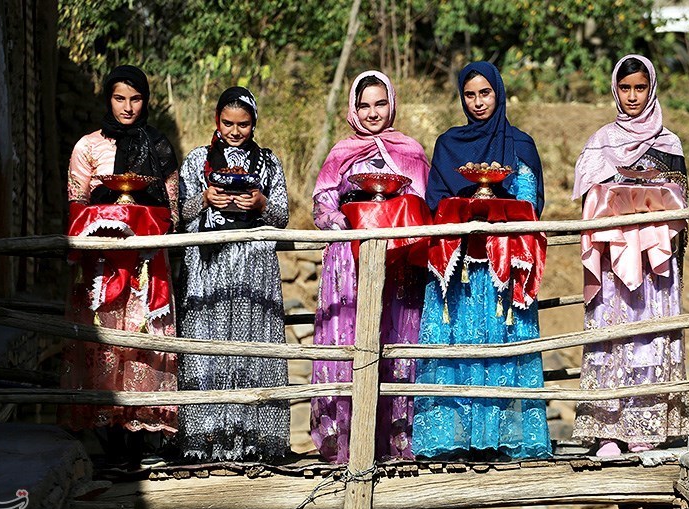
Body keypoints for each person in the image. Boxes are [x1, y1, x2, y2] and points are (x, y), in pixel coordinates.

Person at [411, 60, 552, 461]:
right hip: (459, 270)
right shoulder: (448, 145)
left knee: (500, 345)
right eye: (470, 95)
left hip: (501, 270)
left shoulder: (519, 144)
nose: (477, 102)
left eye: (485, 93)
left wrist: (502, 209)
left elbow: (530, 201)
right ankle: (453, 439)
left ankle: (501, 437)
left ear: (499, 93)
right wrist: (465, 210)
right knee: (457, 346)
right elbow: (436, 201)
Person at [59, 64, 179, 468]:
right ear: (107, 99)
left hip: (145, 271)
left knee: (140, 350)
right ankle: (107, 444)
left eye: (136, 99)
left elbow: (172, 211)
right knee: (103, 347)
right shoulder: (87, 148)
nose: (128, 107)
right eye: (119, 98)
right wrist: (105, 210)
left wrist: (143, 214)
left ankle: (139, 445)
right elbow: (75, 208)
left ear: (146, 101)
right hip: (101, 269)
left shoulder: (159, 146)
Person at [571, 54, 689, 457]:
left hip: (654, 264)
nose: (633, 96)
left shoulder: (668, 142)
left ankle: (647, 428)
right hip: (613, 259)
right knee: (613, 333)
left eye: (640, 88)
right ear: (615, 90)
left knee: (649, 334)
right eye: (626, 88)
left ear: (651, 88)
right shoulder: (601, 141)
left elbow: (681, 199)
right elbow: (588, 197)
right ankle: (608, 430)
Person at [310, 70, 431, 464]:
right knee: (351, 338)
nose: (373, 112)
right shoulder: (341, 152)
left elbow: (422, 204)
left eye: (380, 103)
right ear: (354, 108)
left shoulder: (410, 150)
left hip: (397, 262)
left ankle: (395, 441)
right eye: (365, 105)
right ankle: (346, 441)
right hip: (349, 259)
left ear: (392, 104)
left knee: (394, 340)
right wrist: (336, 221)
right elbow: (322, 203)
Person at [175, 86, 290, 463]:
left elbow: (282, 217)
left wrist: (261, 204)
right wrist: (205, 200)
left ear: (254, 123)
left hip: (255, 267)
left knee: (255, 350)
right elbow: (180, 215)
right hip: (210, 266)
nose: (235, 131)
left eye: (243, 124)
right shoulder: (196, 161)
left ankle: (256, 440)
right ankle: (204, 439)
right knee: (207, 348)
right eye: (228, 123)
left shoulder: (269, 163)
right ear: (216, 121)